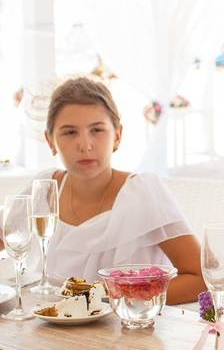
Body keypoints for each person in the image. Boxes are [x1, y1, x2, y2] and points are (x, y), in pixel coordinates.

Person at [38, 77, 203, 304]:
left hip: (128, 331)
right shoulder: (44, 190)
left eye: (97, 130)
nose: (85, 145)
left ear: (117, 135)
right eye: (69, 132)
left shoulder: (141, 193)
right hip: (52, 329)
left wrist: (121, 300)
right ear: (50, 141)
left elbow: (201, 277)